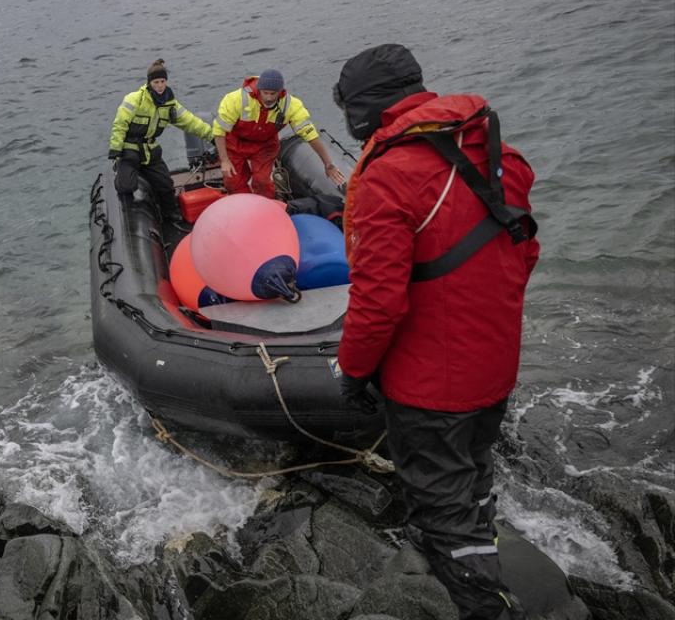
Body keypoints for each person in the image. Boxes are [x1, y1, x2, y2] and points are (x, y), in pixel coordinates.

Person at [331, 45, 539, 620]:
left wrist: (353, 371)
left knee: (441, 494)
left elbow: (377, 302)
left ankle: (480, 601)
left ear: (362, 111)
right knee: (474, 471)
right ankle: (475, 547)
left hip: (430, 383)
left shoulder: (389, 178)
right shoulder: (499, 153)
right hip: (494, 362)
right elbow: (524, 252)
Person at [109, 59, 214, 231]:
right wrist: (115, 150)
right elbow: (119, 125)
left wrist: (211, 136)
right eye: (156, 82)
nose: (160, 86)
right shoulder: (135, 100)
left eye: (163, 81)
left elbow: (190, 122)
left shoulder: (170, 104)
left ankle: (169, 214)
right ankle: (122, 174)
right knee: (127, 185)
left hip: (150, 149)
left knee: (166, 184)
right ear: (149, 83)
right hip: (130, 148)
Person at [212, 68, 346, 198]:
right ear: (259, 90)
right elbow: (219, 131)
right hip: (236, 143)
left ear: (280, 92)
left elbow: (310, 135)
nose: (269, 98)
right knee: (233, 182)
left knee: (262, 181)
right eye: (265, 93)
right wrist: (224, 160)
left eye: (273, 94)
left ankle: (266, 209)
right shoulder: (236, 100)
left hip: (265, 145)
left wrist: (328, 164)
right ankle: (243, 206)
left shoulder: (291, 105)